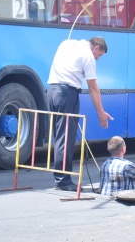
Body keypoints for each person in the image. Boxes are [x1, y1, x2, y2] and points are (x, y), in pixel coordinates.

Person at [47, 36, 113, 191]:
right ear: (96, 48)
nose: (97, 59)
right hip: (66, 94)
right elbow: (93, 87)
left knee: (58, 137)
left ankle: (60, 177)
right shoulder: (88, 56)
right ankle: (63, 180)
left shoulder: (66, 43)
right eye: (99, 55)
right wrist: (101, 113)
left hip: (51, 91)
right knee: (66, 138)